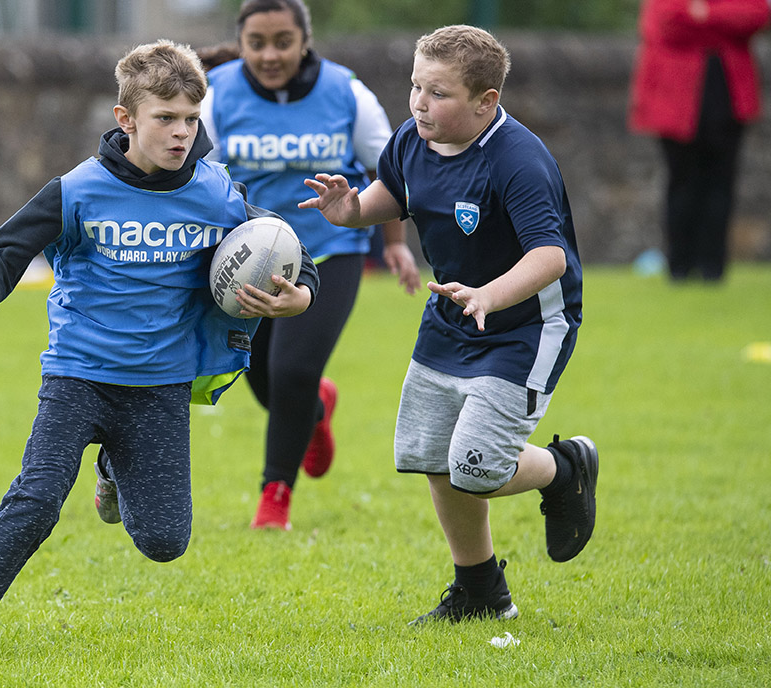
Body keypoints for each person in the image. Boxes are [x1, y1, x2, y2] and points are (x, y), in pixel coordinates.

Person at [0, 39, 320, 663]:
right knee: (36, 502)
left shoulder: (218, 196)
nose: (181, 133)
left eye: (191, 119)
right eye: (165, 118)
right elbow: (5, 251)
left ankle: (110, 473)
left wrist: (301, 295)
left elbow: (281, 247)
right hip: (77, 376)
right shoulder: (79, 191)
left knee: (164, 542)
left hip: (160, 389)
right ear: (126, 119)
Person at [300, 25, 597, 623]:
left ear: (486, 101)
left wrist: (489, 294)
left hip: (526, 326)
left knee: (478, 467)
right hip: (450, 316)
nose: (417, 103)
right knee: (435, 458)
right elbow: (396, 192)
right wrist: (352, 209)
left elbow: (550, 256)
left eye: (437, 93)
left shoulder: (519, 160)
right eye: (414, 87)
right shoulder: (413, 139)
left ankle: (566, 470)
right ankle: (481, 593)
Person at [201, 0, 420, 530]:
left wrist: (394, 244)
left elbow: (387, 168)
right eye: (257, 42)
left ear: (305, 41)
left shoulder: (347, 91)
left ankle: (274, 498)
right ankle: (317, 411)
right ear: (241, 41)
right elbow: (194, 175)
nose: (270, 54)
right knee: (255, 374)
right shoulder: (217, 93)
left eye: (282, 41)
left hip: (330, 250)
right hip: (246, 258)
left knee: (293, 370)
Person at [628, 0, 770, 282]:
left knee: (721, 183)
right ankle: (679, 265)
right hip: (676, 98)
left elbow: (757, 14)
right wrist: (722, 26)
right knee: (682, 182)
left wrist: (704, 15)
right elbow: (667, 22)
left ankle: (712, 268)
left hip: (725, 93)